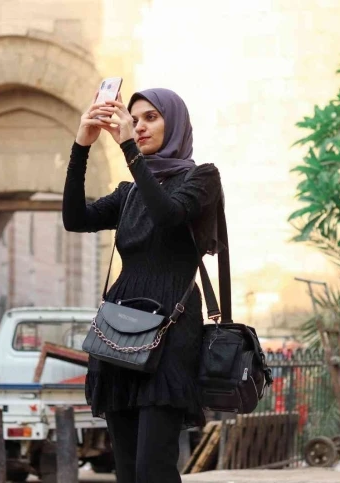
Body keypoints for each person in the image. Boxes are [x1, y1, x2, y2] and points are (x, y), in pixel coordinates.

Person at [63, 88, 222, 483]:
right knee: (129, 470)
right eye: (134, 119)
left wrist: (128, 149)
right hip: (119, 329)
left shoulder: (201, 177)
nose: (139, 126)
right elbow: (75, 218)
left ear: (175, 123)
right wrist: (81, 146)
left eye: (150, 117)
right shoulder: (129, 191)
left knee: (154, 468)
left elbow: (169, 216)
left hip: (171, 326)